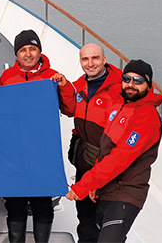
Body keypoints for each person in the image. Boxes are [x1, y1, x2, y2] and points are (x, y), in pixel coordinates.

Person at [65, 59, 162, 242]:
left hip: (126, 193)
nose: (131, 84)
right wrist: (95, 183)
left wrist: (86, 184)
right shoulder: (120, 106)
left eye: (138, 80)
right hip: (107, 188)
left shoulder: (147, 117)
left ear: (148, 85)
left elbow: (120, 157)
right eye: (127, 79)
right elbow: (106, 149)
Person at [0, 29, 75, 243]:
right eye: (23, 50)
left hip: (43, 150)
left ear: (39, 51)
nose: (28, 54)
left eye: (32, 49)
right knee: (15, 203)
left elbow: (71, 109)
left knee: (42, 202)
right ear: (17, 54)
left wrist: (64, 86)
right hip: (14, 151)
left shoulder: (52, 76)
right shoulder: (6, 77)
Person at [62, 43, 123, 242]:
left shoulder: (119, 88)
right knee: (85, 216)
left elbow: (119, 136)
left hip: (106, 165)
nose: (90, 64)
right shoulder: (79, 85)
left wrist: (99, 176)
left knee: (104, 217)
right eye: (85, 59)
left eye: (95, 58)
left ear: (104, 60)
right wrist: (64, 87)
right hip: (84, 162)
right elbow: (71, 109)